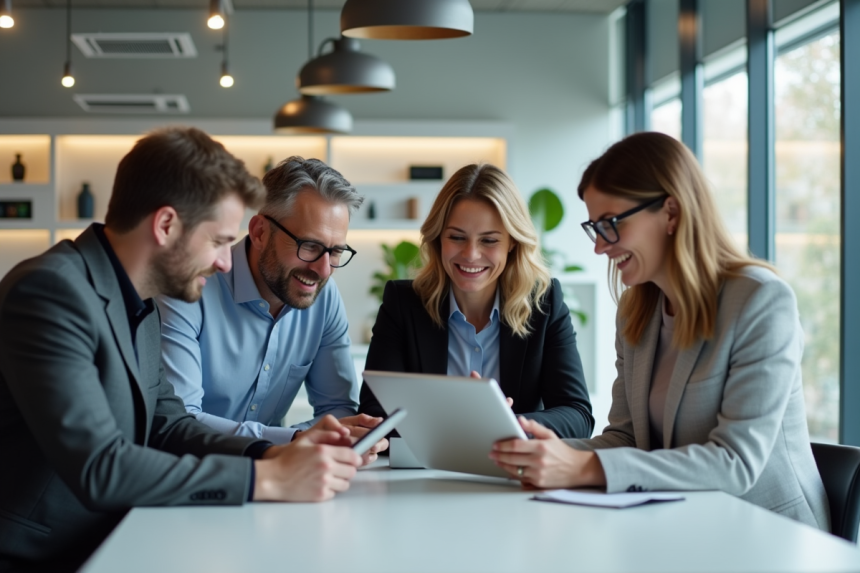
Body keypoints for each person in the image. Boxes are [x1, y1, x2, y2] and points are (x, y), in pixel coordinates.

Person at [0, 128, 367, 573]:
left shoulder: (140, 301)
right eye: (217, 241)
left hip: (118, 536)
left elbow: (169, 424)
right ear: (166, 225)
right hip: (41, 554)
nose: (225, 262)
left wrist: (272, 454)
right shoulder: (50, 291)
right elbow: (101, 467)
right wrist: (265, 479)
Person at [490, 132, 829, 530]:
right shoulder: (638, 313)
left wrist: (584, 466)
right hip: (683, 526)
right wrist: (539, 453)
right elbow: (626, 439)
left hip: (771, 535)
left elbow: (735, 464)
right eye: (594, 228)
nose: (600, 247)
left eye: (611, 224)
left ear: (670, 212)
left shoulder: (761, 302)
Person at [157, 156, 386, 451]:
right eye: (310, 246)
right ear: (260, 233)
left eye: (336, 252)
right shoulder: (189, 287)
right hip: (189, 474)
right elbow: (180, 421)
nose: (324, 269)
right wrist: (294, 440)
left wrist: (320, 439)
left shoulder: (324, 298)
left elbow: (338, 408)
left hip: (279, 474)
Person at [360, 163, 594, 439]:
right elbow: (374, 412)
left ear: (512, 243)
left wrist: (506, 423)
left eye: (489, 240)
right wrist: (464, 422)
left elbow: (577, 415)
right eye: (457, 237)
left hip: (512, 475)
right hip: (422, 474)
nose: (471, 254)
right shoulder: (403, 303)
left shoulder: (544, 304)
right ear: (438, 239)